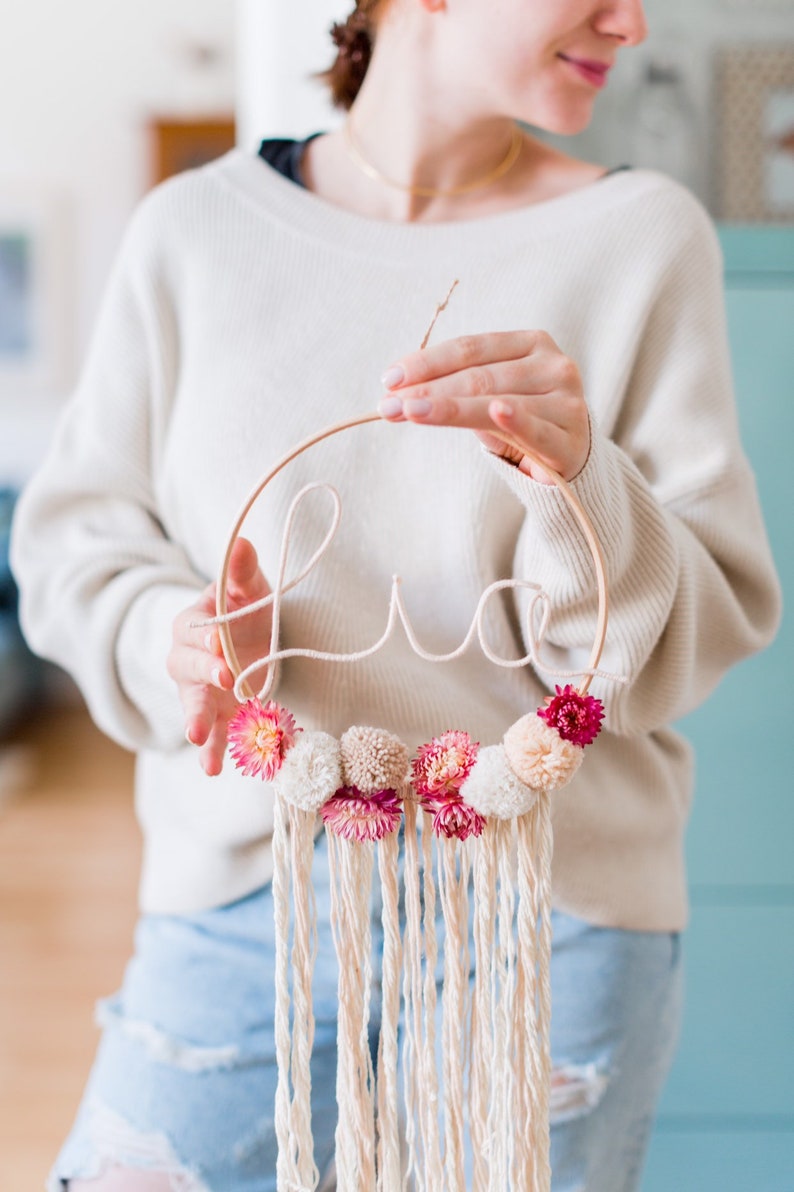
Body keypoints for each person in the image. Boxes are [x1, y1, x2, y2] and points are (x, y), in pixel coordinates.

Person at [11, 0, 782, 1189]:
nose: (629, 22)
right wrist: (167, 635)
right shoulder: (193, 234)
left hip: (547, 912)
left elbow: (696, 624)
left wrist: (580, 484)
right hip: (240, 895)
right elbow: (77, 541)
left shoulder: (641, 238)